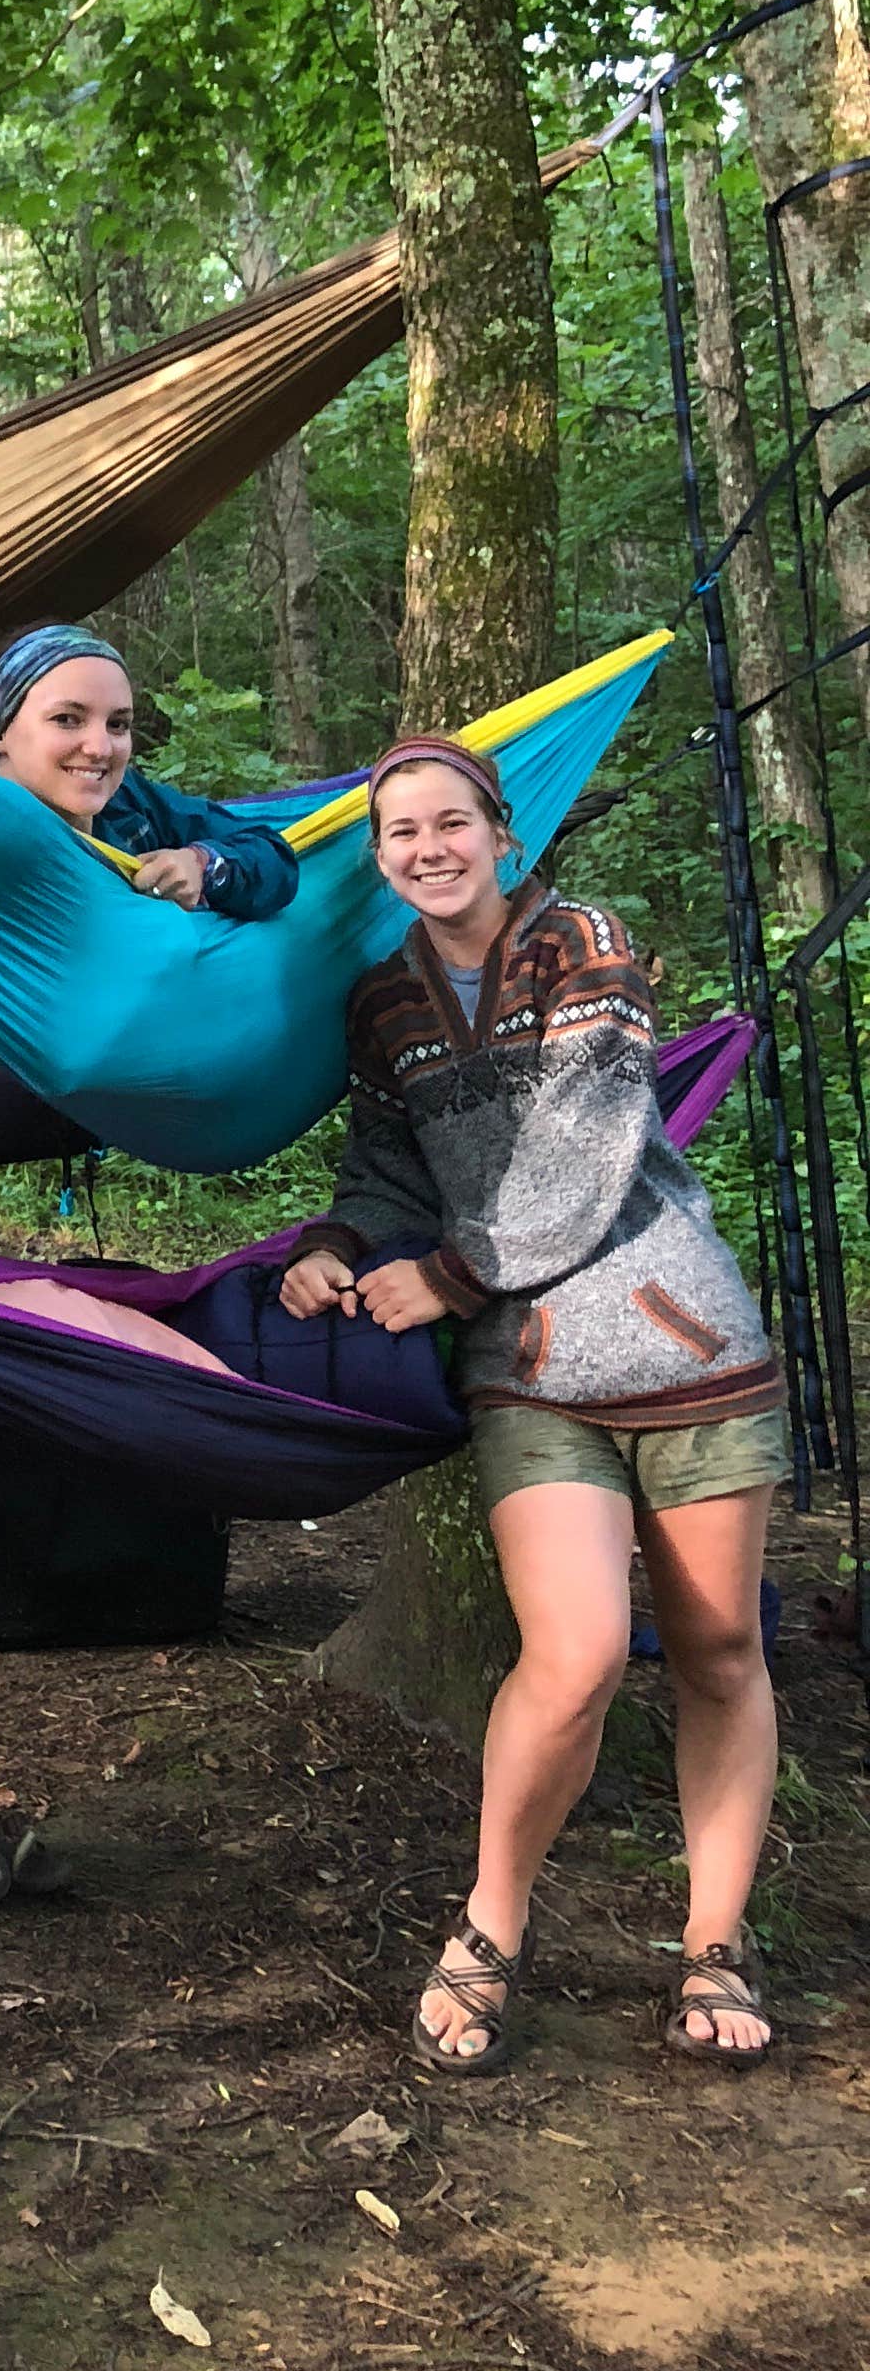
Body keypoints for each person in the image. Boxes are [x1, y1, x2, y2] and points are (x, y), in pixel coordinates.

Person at [278, 736, 786, 2074]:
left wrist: (446, 1274)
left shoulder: (585, 943)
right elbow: (387, 1159)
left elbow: (586, 1146)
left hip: (688, 1352)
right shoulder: (381, 1002)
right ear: (380, 858)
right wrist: (338, 1243)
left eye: (454, 823)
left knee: (720, 1652)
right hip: (530, 1369)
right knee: (574, 1660)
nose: (430, 848)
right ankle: (492, 1925)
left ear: (504, 835)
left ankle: (714, 1939)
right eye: (402, 833)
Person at [0, 621, 299, 921]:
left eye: (117, 724)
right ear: (0, 731)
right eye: (66, 719)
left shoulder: (129, 803)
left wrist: (201, 865)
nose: (100, 748)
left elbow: (273, 854)